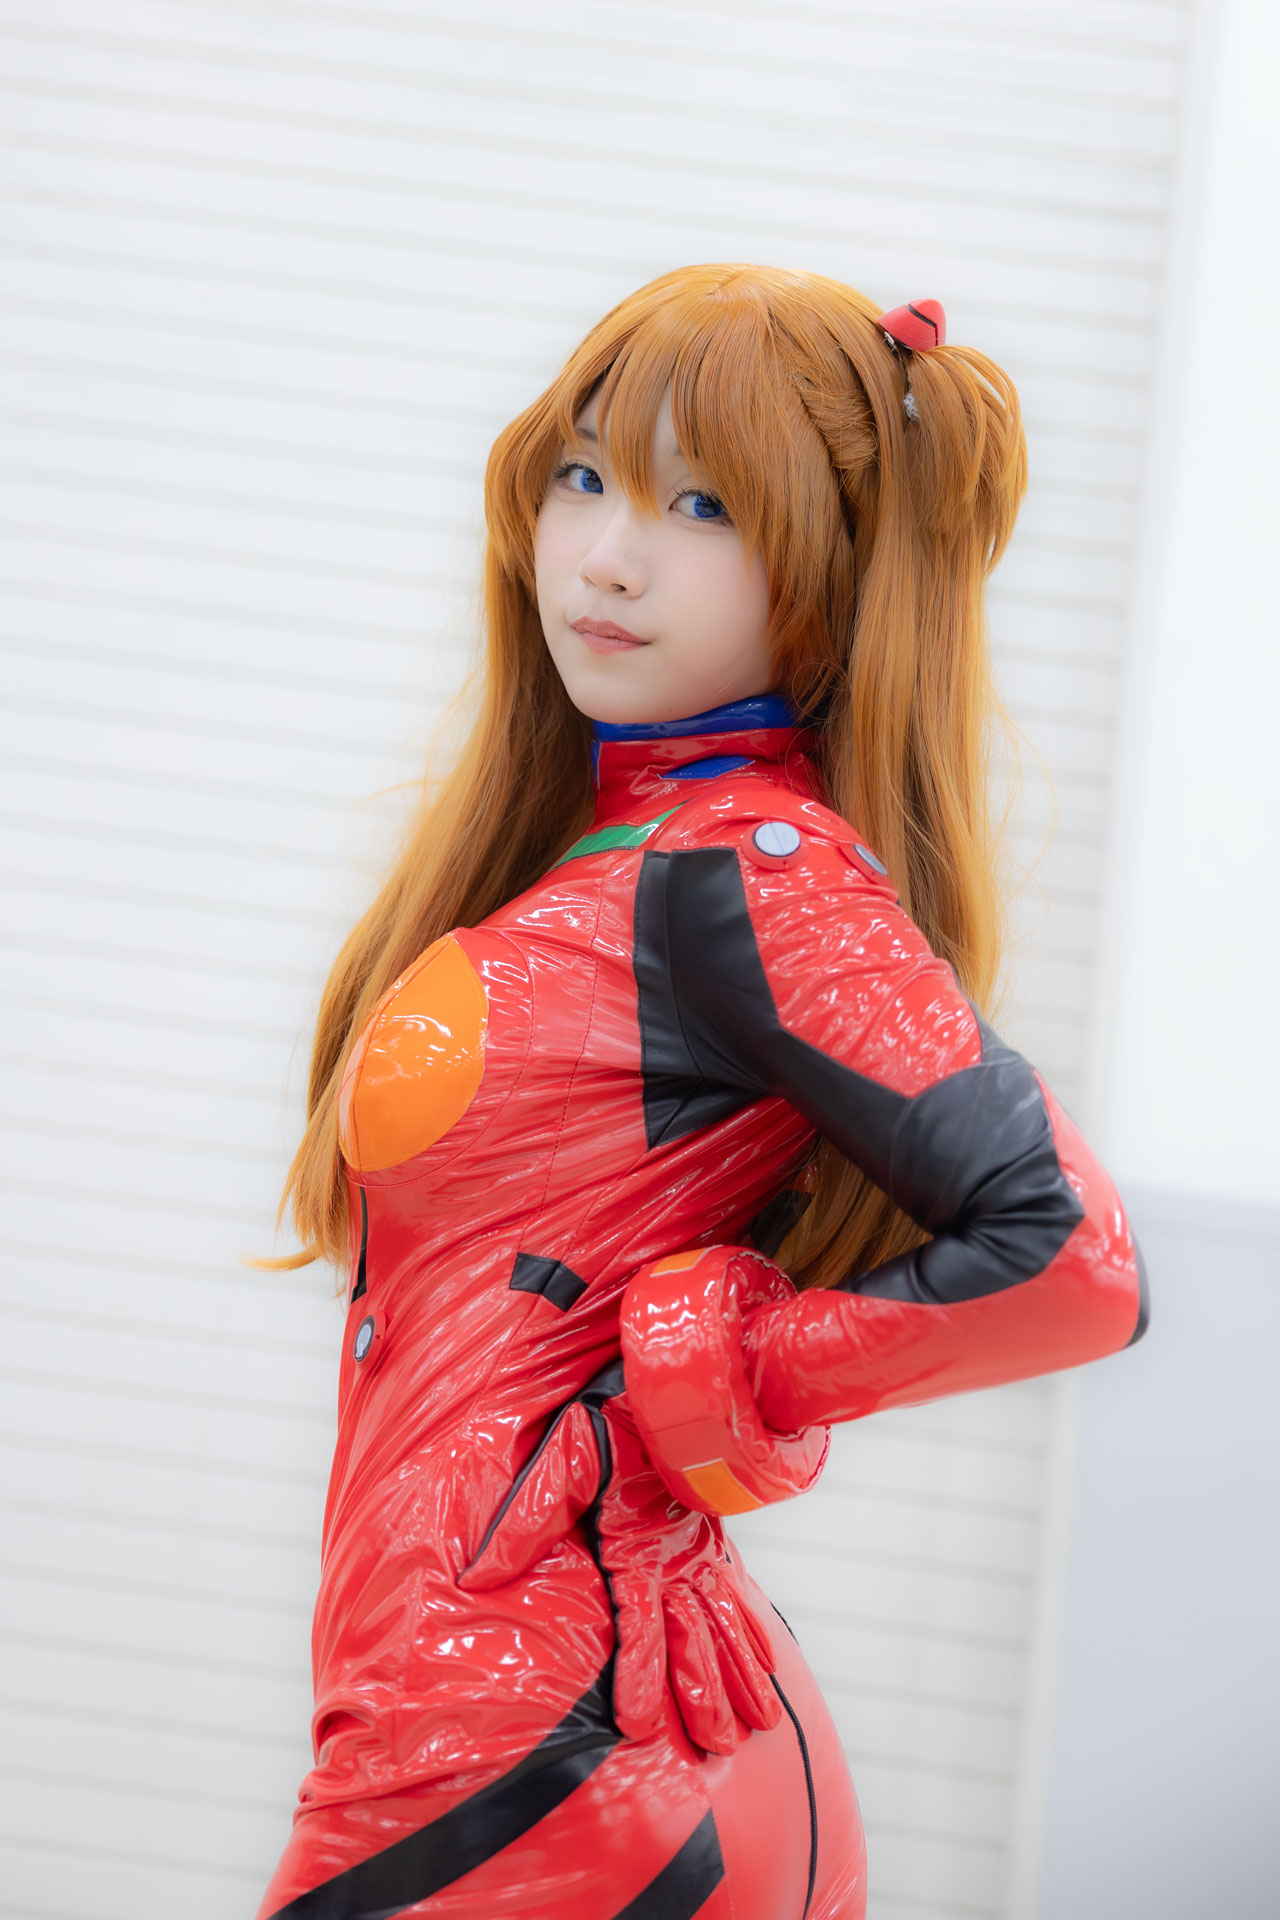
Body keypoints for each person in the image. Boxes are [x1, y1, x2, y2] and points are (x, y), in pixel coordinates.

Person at [254, 264, 1146, 1920]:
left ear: (829, 573)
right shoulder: (620, 855)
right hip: (539, 1716)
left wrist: (734, 1367)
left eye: (704, 504)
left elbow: (1069, 1262)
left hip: (536, 1742)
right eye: (583, 473)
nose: (605, 554)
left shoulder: (749, 870)